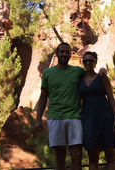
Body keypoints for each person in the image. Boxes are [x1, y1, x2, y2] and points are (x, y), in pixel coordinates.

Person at [35, 42, 85, 170]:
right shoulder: (47, 73)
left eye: (67, 52)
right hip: (55, 118)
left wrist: (101, 72)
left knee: (77, 154)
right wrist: (38, 119)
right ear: (57, 54)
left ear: (70, 54)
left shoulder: (78, 72)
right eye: (62, 51)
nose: (64, 54)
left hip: (75, 117)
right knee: (59, 156)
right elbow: (43, 97)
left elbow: (92, 78)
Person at [79, 51, 115, 170]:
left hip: (105, 118)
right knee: (92, 158)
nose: (87, 63)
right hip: (88, 120)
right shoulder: (79, 79)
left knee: (110, 155)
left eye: (90, 60)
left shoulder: (102, 77)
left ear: (95, 61)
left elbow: (111, 98)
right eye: (85, 61)